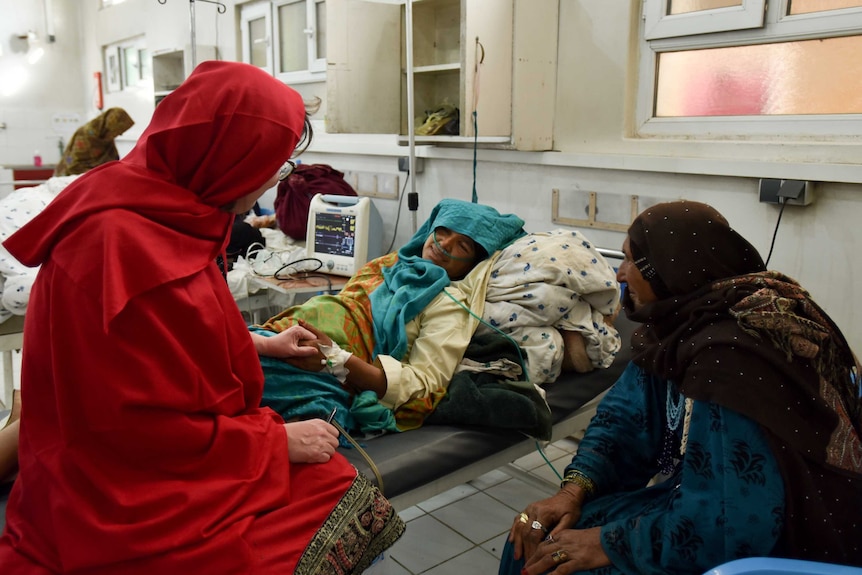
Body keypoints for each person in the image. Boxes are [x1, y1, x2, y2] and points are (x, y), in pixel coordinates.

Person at [0, 61, 404, 574]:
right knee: (340, 491)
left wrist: (259, 344)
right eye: (273, 166)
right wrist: (272, 443)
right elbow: (124, 426)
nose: (271, 183)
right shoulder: (118, 248)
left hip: (164, 445)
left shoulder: (162, 209)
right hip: (122, 488)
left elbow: (158, 344)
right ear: (227, 158)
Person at [500, 200, 862, 574]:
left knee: (546, 563)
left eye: (630, 261)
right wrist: (573, 491)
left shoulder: (727, 361)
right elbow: (623, 421)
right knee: (536, 540)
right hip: (705, 502)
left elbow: (731, 524)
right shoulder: (678, 331)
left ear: (666, 269)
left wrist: (611, 542)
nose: (620, 274)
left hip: (787, 539)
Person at [255, 198, 527, 434]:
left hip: (326, 367)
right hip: (285, 335)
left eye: (462, 246)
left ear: (473, 264)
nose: (444, 244)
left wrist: (335, 359)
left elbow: (423, 383)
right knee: (228, 353)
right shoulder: (389, 264)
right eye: (442, 231)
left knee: (235, 374)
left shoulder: (448, 304)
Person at [54, 107, 134, 176]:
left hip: (95, 178)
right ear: (110, 125)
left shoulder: (105, 136)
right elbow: (74, 166)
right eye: (118, 130)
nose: (120, 134)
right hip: (71, 178)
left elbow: (113, 160)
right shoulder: (85, 135)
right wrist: (100, 174)